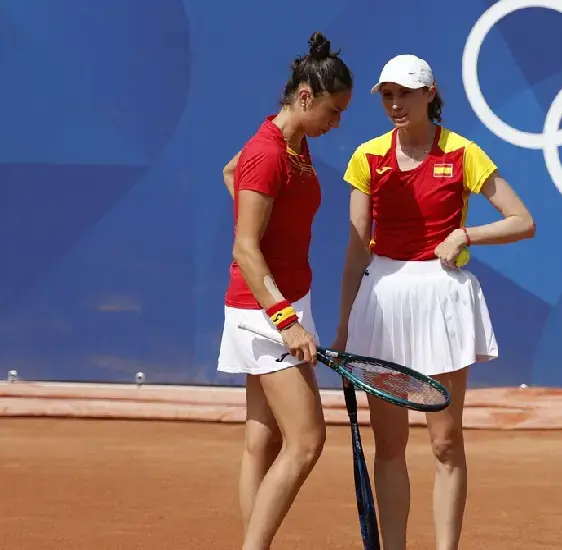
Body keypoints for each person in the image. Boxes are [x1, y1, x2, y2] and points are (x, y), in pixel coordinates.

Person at [333, 54, 535, 550]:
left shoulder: (464, 153)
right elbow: (358, 245)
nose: (396, 104)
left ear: (429, 94)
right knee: (390, 445)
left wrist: (465, 233)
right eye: (387, 95)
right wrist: (342, 328)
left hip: (440, 298)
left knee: (445, 442)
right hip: (381, 299)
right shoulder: (367, 157)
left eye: (405, 93)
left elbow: (521, 220)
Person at [217, 31, 353, 550]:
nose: (337, 122)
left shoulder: (293, 147)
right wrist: (285, 319)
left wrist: (253, 205)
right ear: (304, 97)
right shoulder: (268, 153)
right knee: (307, 441)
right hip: (264, 311)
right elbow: (246, 249)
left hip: (284, 302)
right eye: (333, 111)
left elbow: (231, 173)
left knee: (263, 439)